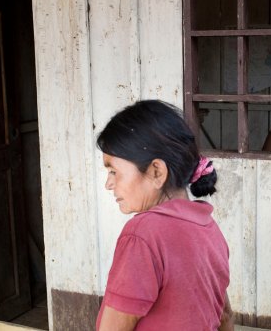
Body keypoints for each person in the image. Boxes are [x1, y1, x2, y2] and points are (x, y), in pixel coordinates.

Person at [95, 100, 232, 331]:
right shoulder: (208, 226)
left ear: (156, 171)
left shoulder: (142, 235)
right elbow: (225, 316)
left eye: (113, 171)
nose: (109, 183)